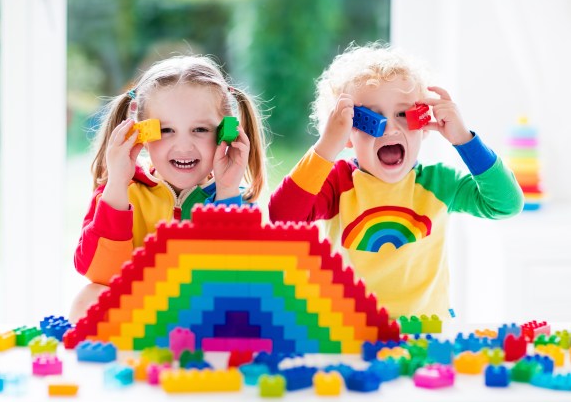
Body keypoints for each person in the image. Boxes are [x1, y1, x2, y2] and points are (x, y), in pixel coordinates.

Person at [268, 43, 523, 318]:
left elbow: (506, 204)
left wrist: (464, 139)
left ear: (424, 124)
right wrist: (327, 146)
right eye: (369, 118)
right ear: (347, 135)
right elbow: (282, 216)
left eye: (403, 114)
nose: (389, 128)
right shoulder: (339, 183)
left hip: (426, 334)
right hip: (349, 332)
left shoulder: (439, 183)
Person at [70, 55, 267, 322]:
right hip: (142, 314)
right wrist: (117, 185)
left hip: (203, 314)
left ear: (226, 132)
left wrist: (227, 191)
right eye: (166, 130)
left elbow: (234, 278)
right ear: (141, 132)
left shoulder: (234, 198)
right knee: (87, 299)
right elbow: (100, 273)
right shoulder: (120, 191)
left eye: (199, 129)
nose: (183, 146)